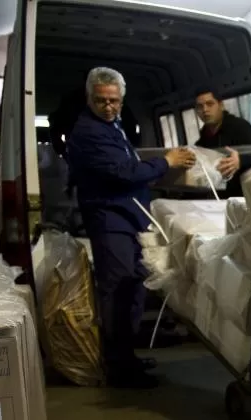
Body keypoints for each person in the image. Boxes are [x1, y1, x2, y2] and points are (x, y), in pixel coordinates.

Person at [67, 67, 195, 388]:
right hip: (110, 219)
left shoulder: (114, 126)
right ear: (89, 99)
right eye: (101, 101)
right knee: (119, 289)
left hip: (126, 217)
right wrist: (166, 163)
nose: (109, 107)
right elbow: (124, 171)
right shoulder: (89, 132)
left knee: (134, 284)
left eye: (114, 101)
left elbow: (131, 164)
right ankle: (119, 368)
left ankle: (128, 357)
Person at [193, 87, 251, 198]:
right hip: (219, 200)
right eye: (200, 106)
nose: (205, 110)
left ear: (221, 105)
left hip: (246, 197)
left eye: (210, 104)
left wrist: (240, 160)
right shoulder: (202, 142)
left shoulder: (241, 128)